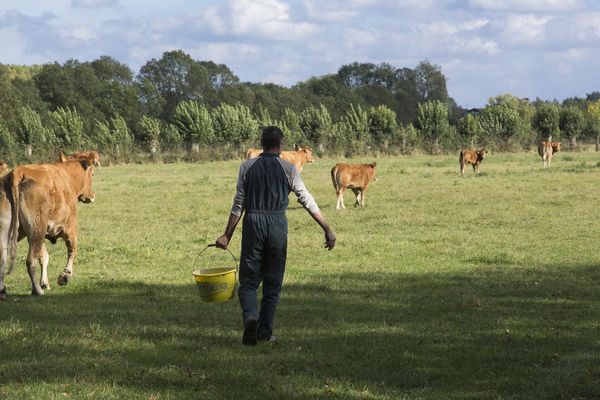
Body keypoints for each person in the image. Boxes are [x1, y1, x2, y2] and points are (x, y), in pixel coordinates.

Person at [215, 126, 336, 346]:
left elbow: (238, 203)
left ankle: (251, 315)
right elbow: (306, 199)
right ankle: (264, 333)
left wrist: (227, 235)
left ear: (261, 144)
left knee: (249, 282)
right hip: (277, 224)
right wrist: (326, 228)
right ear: (280, 146)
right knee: (273, 283)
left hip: (253, 223)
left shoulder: (246, 167)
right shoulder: (289, 169)